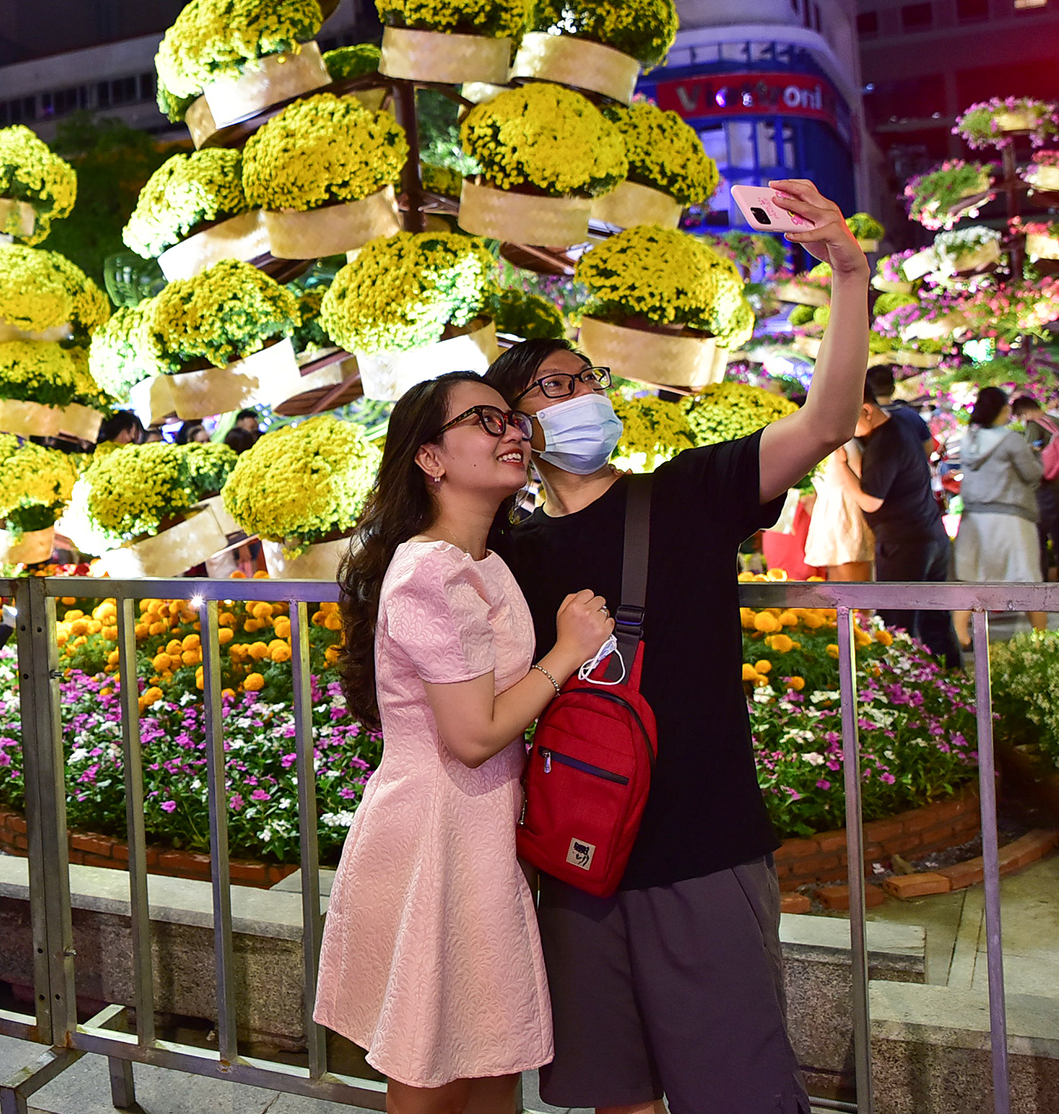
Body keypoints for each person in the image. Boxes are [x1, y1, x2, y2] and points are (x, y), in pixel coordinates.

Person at [486, 177, 862, 1113]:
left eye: (589, 380)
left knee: (738, 1090)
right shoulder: (507, 555)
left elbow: (823, 423)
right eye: (556, 386)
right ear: (517, 428)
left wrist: (848, 276)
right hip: (576, 859)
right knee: (616, 1092)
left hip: (702, 848)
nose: (582, 397)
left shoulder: (690, 493)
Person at [314, 373, 611, 1110]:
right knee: (435, 1070)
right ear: (431, 459)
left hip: (475, 830)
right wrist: (565, 652)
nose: (513, 431)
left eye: (512, 418)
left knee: (487, 1059)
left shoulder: (479, 560)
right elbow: (474, 734)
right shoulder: (431, 571)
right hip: (437, 836)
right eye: (485, 420)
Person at [853, 389, 960, 667]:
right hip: (930, 533)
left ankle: (904, 692)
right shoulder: (905, 420)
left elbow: (871, 500)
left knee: (897, 626)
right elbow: (928, 450)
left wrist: (841, 469)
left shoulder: (884, 442)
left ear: (866, 410)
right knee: (934, 619)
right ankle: (952, 687)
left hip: (904, 542)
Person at [951, 387, 1048, 646]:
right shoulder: (1011, 440)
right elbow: (1033, 474)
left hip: (974, 518)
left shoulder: (968, 439)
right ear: (1001, 409)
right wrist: (1036, 456)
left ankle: (960, 633)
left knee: (971, 577)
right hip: (1011, 516)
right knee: (1027, 577)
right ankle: (1042, 638)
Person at [1011, 395, 1059, 582]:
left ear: (1025, 412)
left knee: (1040, 541)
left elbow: (1028, 454)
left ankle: (1042, 584)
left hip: (1043, 487)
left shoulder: (1034, 425)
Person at [802, 438, 872, 582]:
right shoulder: (841, 442)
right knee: (855, 589)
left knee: (843, 587)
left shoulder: (819, 440)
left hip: (833, 510)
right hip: (845, 512)